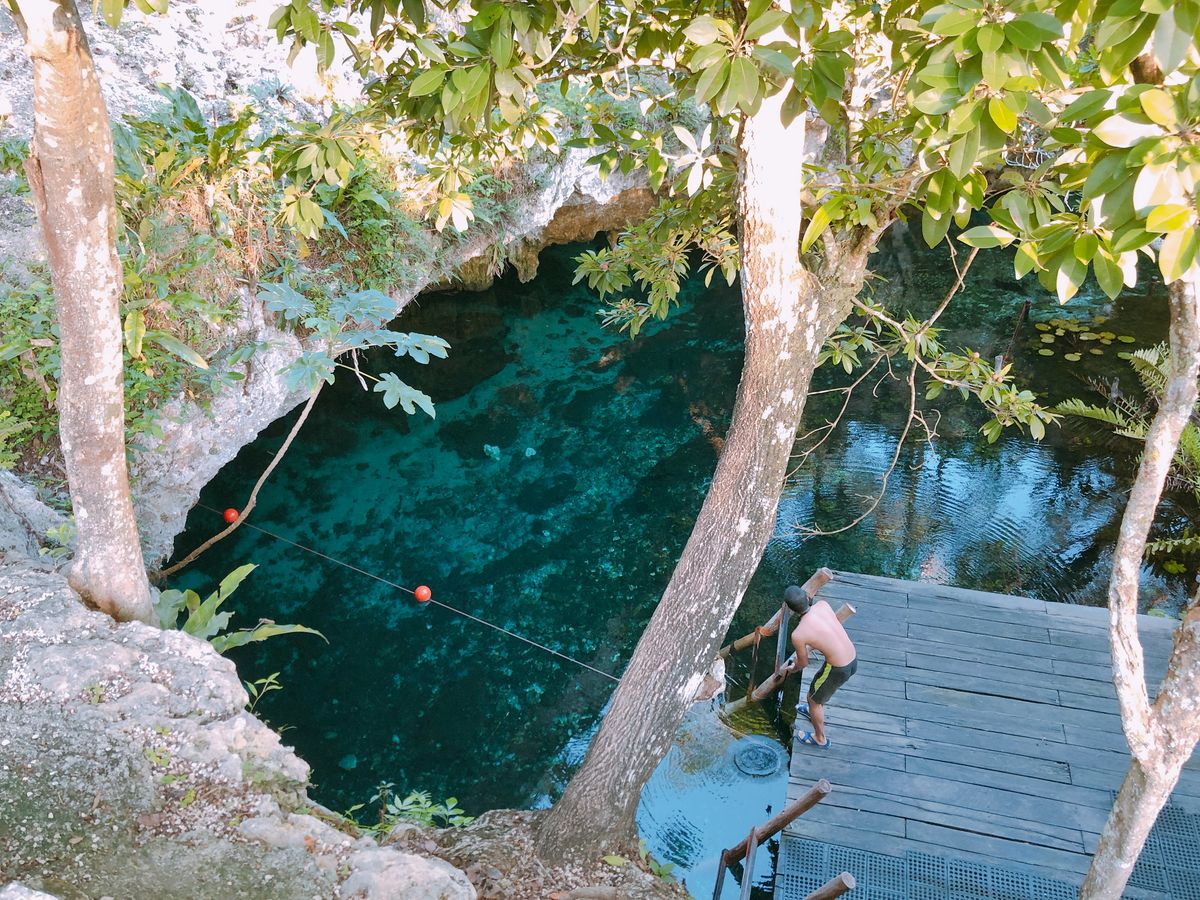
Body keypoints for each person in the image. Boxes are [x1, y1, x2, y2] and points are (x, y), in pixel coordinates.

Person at [783, 584, 857, 749]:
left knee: (813, 700)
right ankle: (813, 711)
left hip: (838, 668)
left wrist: (793, 668)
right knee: (817, 693)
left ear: (791, 609)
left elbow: (803, 663)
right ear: (807, 597)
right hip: (852, 658)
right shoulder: (823, 605)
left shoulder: (798, 634)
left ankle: (820, 738)